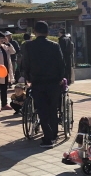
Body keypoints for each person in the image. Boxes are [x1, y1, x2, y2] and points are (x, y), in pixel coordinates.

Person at [24, 20, 65, 148]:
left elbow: (26, 64)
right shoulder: (54, 46)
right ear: (47, 32)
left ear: (34, 32)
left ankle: (47, 137)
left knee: (42, 110)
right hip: (53, 82)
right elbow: (61, 64)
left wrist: (27, 78)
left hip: (37, 82)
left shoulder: (29, 46)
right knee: (53, 109)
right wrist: (61, 78)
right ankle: (54, 134)